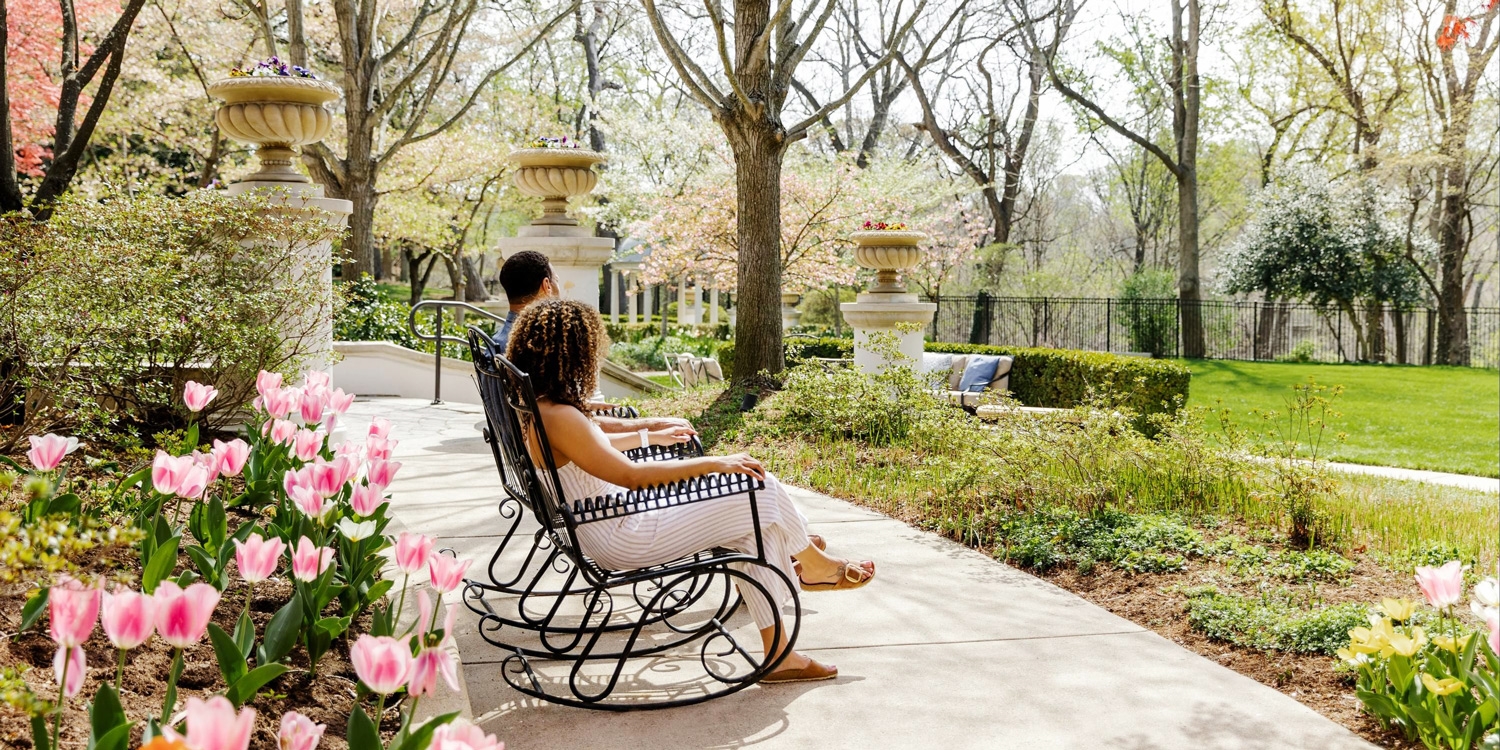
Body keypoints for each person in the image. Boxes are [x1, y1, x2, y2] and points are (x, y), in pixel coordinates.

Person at [506, 299, 876, 684]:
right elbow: (630, 476)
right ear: (572, 351)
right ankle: (813, 564)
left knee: (753, 521)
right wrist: (715, 462)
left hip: (612, 519)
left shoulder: (545, 408)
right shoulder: (559, 416)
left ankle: (779, 654)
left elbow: (595, 449)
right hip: (622, 534)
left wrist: (651, 434)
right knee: (759, 486)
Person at [494, 250, 687, 435]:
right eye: (557, 281)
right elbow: (558, 424)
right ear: (547, 285)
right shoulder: (536, 347)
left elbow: (550, 411)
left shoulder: (498, 343)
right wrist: (648, 427)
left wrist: (577, 405)